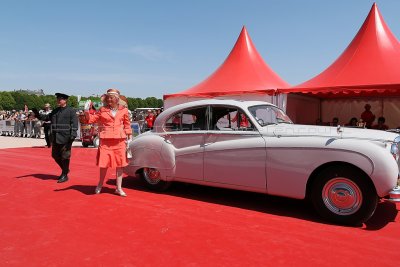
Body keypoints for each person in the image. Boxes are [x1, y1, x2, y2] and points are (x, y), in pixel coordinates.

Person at [84, 88, 132, 197]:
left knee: (120, 165)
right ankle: (100, 185)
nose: (109, 100)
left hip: (120, 141)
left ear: (116, 99)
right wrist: (86, 111)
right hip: (106, 141)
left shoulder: (123, 110)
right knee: (103, 164)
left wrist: (129, 138)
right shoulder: (102, 110)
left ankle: (119, 188)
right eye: (107, 98)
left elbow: (127, 124)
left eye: (111, 98)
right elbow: (91, 119)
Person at [42, 93, 78, 183]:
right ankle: (65, 170)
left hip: (66, 137)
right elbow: (47, 118)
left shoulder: (71, 111)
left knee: (65, 156)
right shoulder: (55, 110)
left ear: (65, 100)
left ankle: (64, 175)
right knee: (55, 155)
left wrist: (72, 135)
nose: (58, 100)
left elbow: (74, 123)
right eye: (57, 99)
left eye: (60, 99)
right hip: (55, 137)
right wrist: (37, 115)